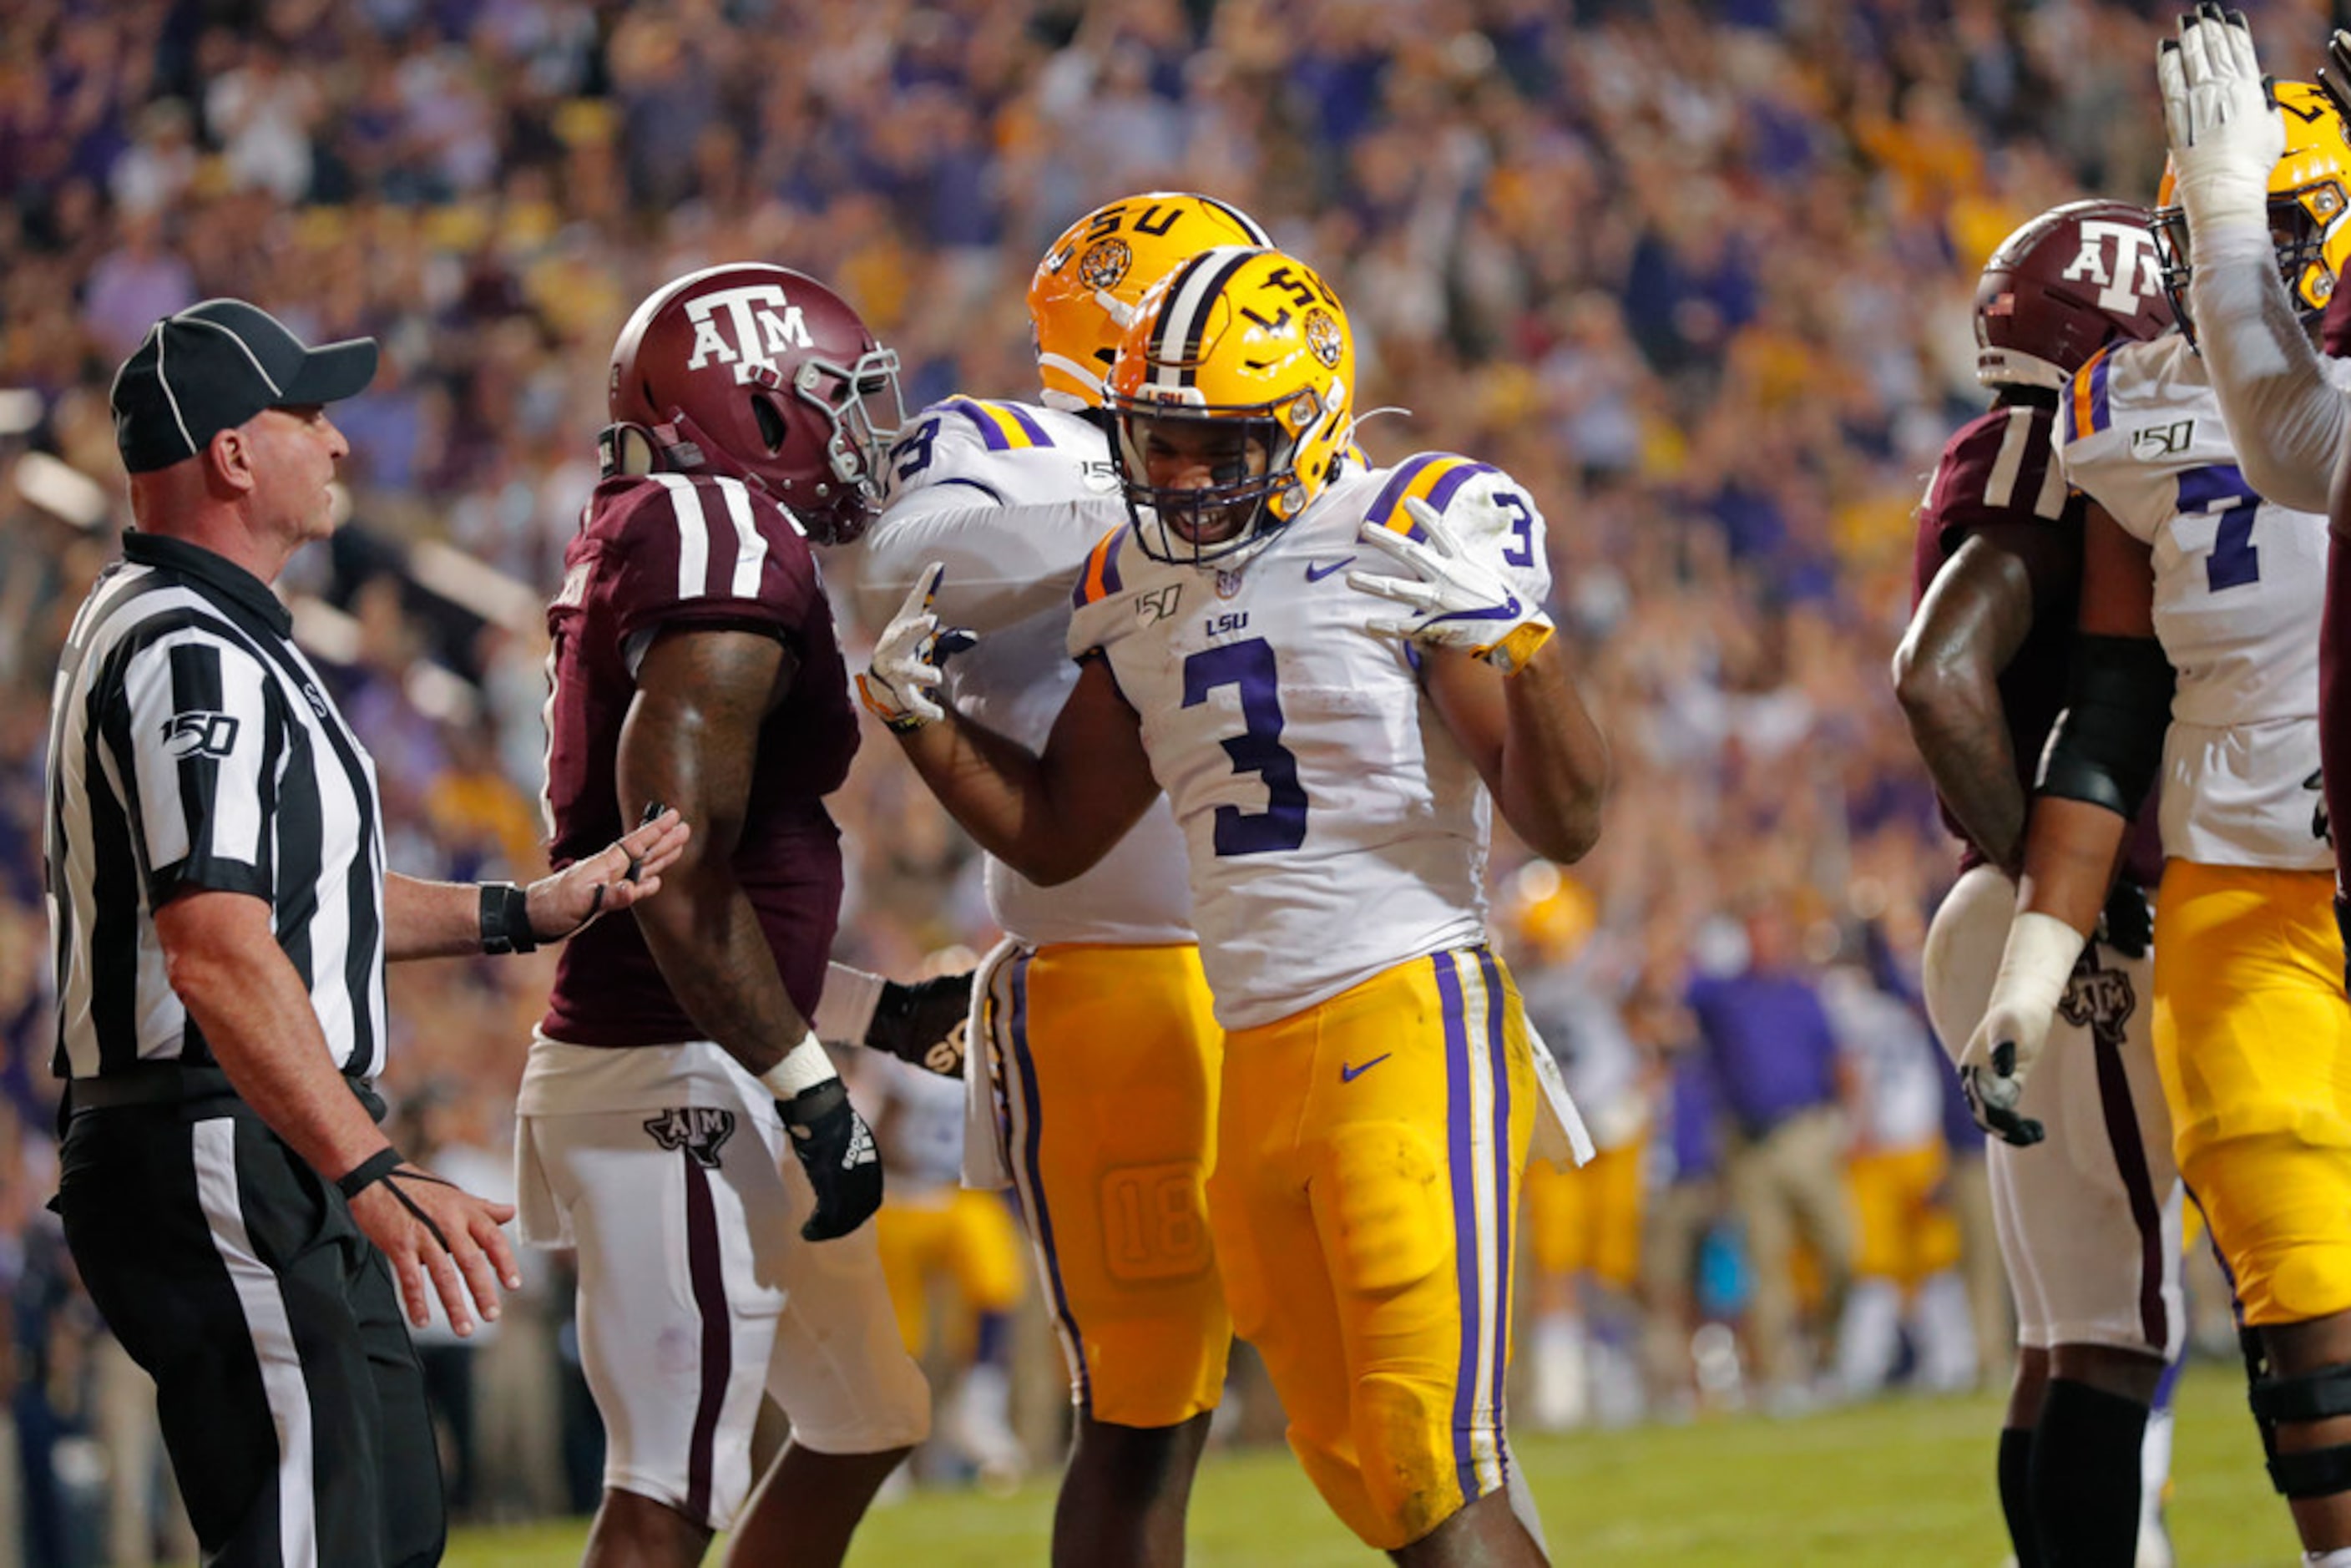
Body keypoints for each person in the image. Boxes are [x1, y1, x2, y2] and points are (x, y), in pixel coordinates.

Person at [861, 243, 1609, 1564]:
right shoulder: (1132, 583)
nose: (1183, 477)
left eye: (1217, 446)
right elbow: (1056, 833)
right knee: (1354, 1462)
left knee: (1434, 1454)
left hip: (1407, 1012)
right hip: (1255, 1049)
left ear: (1306, 421)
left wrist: (1525, 652)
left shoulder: (1413, 519)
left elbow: (1571, 820)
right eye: (1159, 441)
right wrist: (920, 723)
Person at [44, 297, 686, 1568]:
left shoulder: (215, 635)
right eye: (308, 415)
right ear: (234, 454)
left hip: (249, 1127)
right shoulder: (188, 648)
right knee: (316, 1539)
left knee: (385, 1527)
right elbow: (218, 945)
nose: (339, 444)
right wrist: (368, 1166)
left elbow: (303, 903)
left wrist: (524, 911)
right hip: (216, 1129)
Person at [855, 190, 1270, 1566]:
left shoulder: (1254, 461)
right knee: (1147, 1405)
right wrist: (1148, 530)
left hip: (1296, 958)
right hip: (1116, 968)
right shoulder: (1011, 442)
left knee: (1376, 1372)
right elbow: (902, 567)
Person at [1975, 44, 2351, 1563]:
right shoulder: (2121, 408)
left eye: (2258, 232)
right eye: (2199, 237)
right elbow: (2117, 696)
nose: (2224, 273)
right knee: (2289, 1244)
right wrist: (2030, 962)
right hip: (2244, 876)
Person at [515, 262, 932, 1568]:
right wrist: (810, 1084)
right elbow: (670, 861)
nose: (862, 432)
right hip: (669, 1073)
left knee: (867, 1415)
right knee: (667, 1490)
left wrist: (872, 1014)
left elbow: (723, 872)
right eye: (837, 401)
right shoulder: (717, 531)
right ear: (753, 408)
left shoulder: (667, 523)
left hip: (700, 1050)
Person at [1891, 200, 2184, 1568]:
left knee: (2066, 1329)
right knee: (2121, 1331)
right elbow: (1935, 673)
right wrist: (2052, 882)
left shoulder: (1984, 447)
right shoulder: (2064, 461)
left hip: (1995, 916)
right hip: (2055, 924)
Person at [1681, 892, 1855, 1409]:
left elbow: (1840, 1062)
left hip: (1806, 1133)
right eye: (1754, 930)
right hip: (1748, 1145)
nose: (1763, 940)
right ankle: (1783, 1379)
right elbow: (1668, 990)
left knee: (1844, 1251)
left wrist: (1847, 1125)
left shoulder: (1805, 994)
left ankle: (1825, 1352)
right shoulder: (1722, 995)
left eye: (1770, 929)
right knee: (1767, 1266)